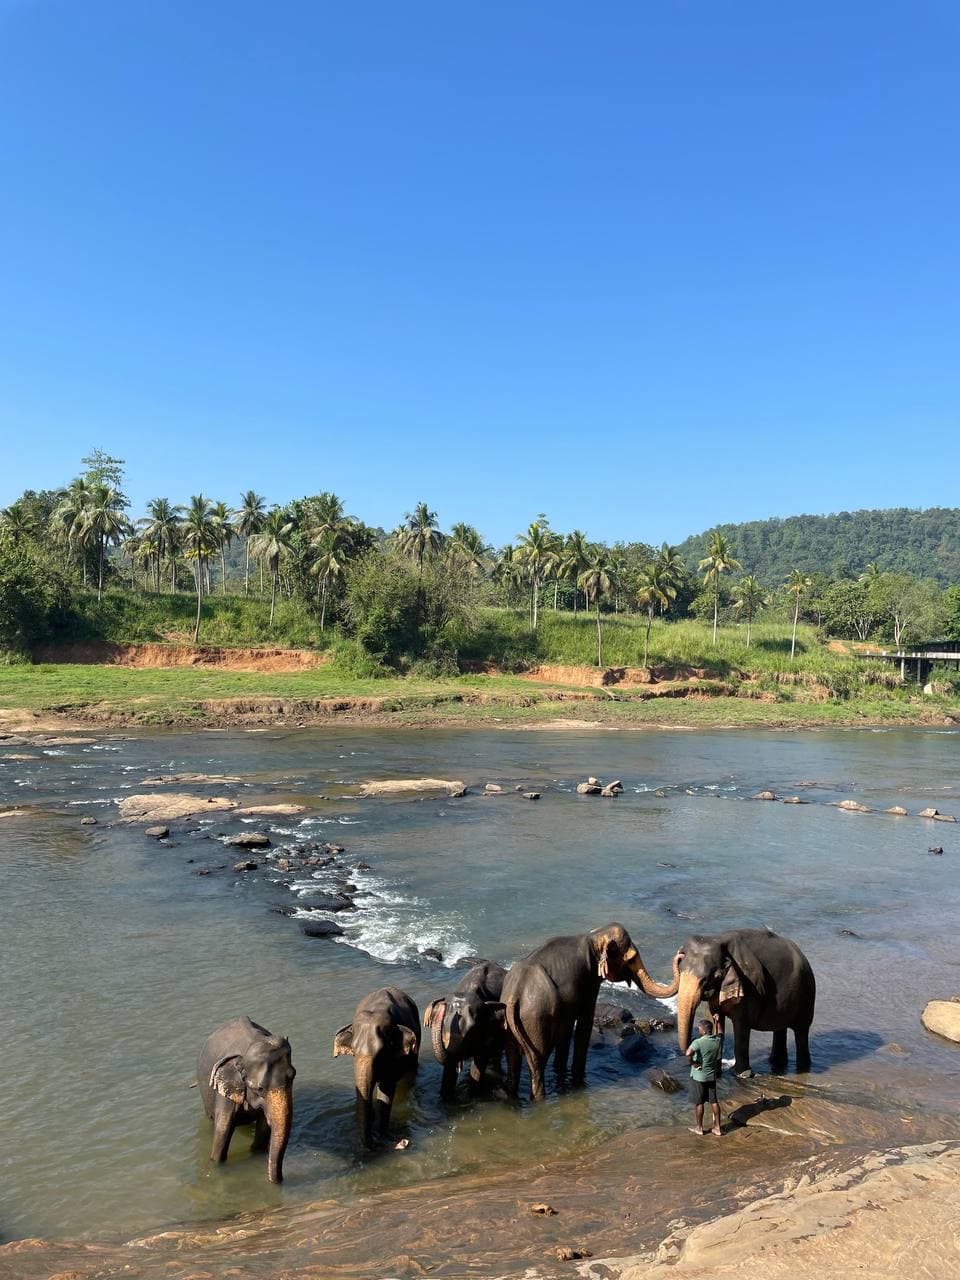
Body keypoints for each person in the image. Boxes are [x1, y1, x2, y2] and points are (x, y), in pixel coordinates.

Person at [685, 1013, 723, 1136]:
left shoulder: (698, 1042)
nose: (698, 1029)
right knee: (714, 1101)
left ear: (703, 1030)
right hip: (711, 1075)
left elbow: (687, 1053)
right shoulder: (717, 1041)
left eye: (699, 1027)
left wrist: (693, 1063)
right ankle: (717, 1128)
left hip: (699, 1076)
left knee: (699, 1102)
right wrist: (717, 1021)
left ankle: (699, 1128)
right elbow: (720, 1033)